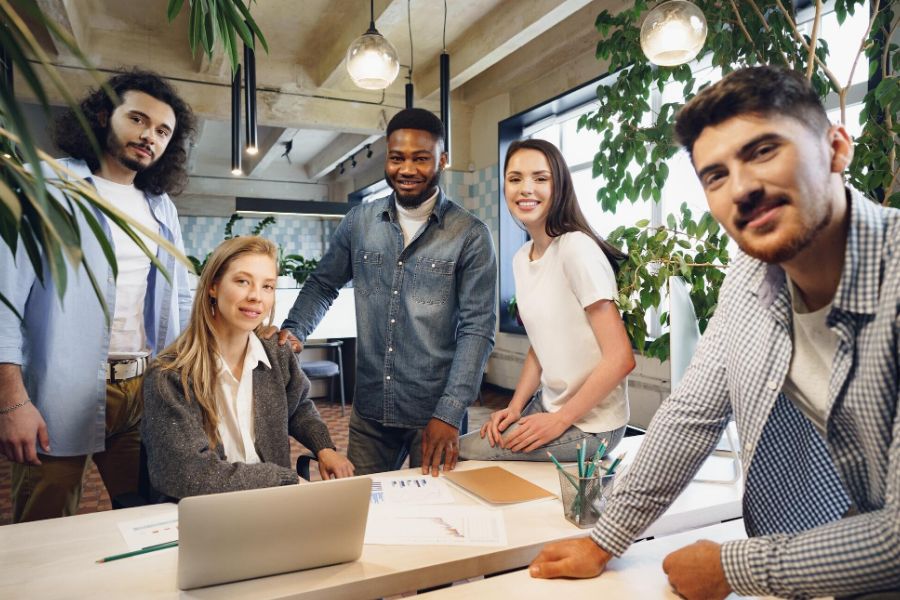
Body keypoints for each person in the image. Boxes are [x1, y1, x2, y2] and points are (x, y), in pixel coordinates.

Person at [529, 65, 900, 599]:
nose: (743, 189)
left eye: (764, 151)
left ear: (837, 148)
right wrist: (604, 540)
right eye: (716, 176)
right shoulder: (750, 277)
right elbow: (691, 418)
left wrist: (733, 568)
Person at [0, 70, 196, 522]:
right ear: (104, 115)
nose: (150, 136)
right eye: (138, 119)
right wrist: (12, 401)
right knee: (44, 530)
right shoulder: (44, 184)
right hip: (57, 390)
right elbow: (5, 299)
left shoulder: (160, 205)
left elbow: (180, 300)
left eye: (163, 131)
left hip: (144, 389)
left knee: (147, 517)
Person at [278, 108, 497, 477]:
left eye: (421, 158)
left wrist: (450, 410)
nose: (407, 169)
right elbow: (323, 283)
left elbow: (477, 329)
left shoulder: (471, 235)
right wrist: (296, 328)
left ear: (442, 159)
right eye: (397, 158)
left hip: (434, 412)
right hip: (371, 411)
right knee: (365, 512)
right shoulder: (359, 222)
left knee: (436, 514)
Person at [459, 139, 634, 462]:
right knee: (468, 445)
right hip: (549, 403)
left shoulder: (576, 249)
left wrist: (558, 421)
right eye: (515, 179)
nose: (526, 189)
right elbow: (540, 345)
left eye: (540, 178)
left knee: (461, 451)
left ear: (560, 186)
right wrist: (514, 408)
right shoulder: (521, 258)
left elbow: (621, 359)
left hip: (593, 426)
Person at [141, 237, 353, 499]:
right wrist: (284, 480)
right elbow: (188, 475)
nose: (256, 296)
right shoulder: (170, 375)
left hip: (272, 505)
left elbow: (297, 407)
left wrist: (324, 448)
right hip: (207, 513)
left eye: (268, 286)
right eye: (243, 281)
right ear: (212, 287)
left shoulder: (277, 353)